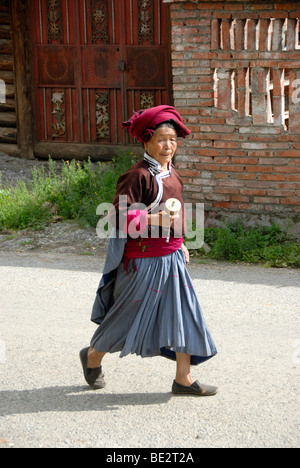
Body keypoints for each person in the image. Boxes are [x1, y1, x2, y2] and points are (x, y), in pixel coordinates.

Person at [80, 105, 218, 396]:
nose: (168, 146)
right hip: (142, 262)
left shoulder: (171, 173)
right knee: (126, 316)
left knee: (185, 314)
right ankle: (93, 356)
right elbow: (116, 217)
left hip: (171, 258)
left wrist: (180, 244)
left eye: (172, 139)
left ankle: (183, 378)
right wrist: (154, 219)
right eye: (161, 139)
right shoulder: (137, 176)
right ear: (146, 142)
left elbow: (177, 214)